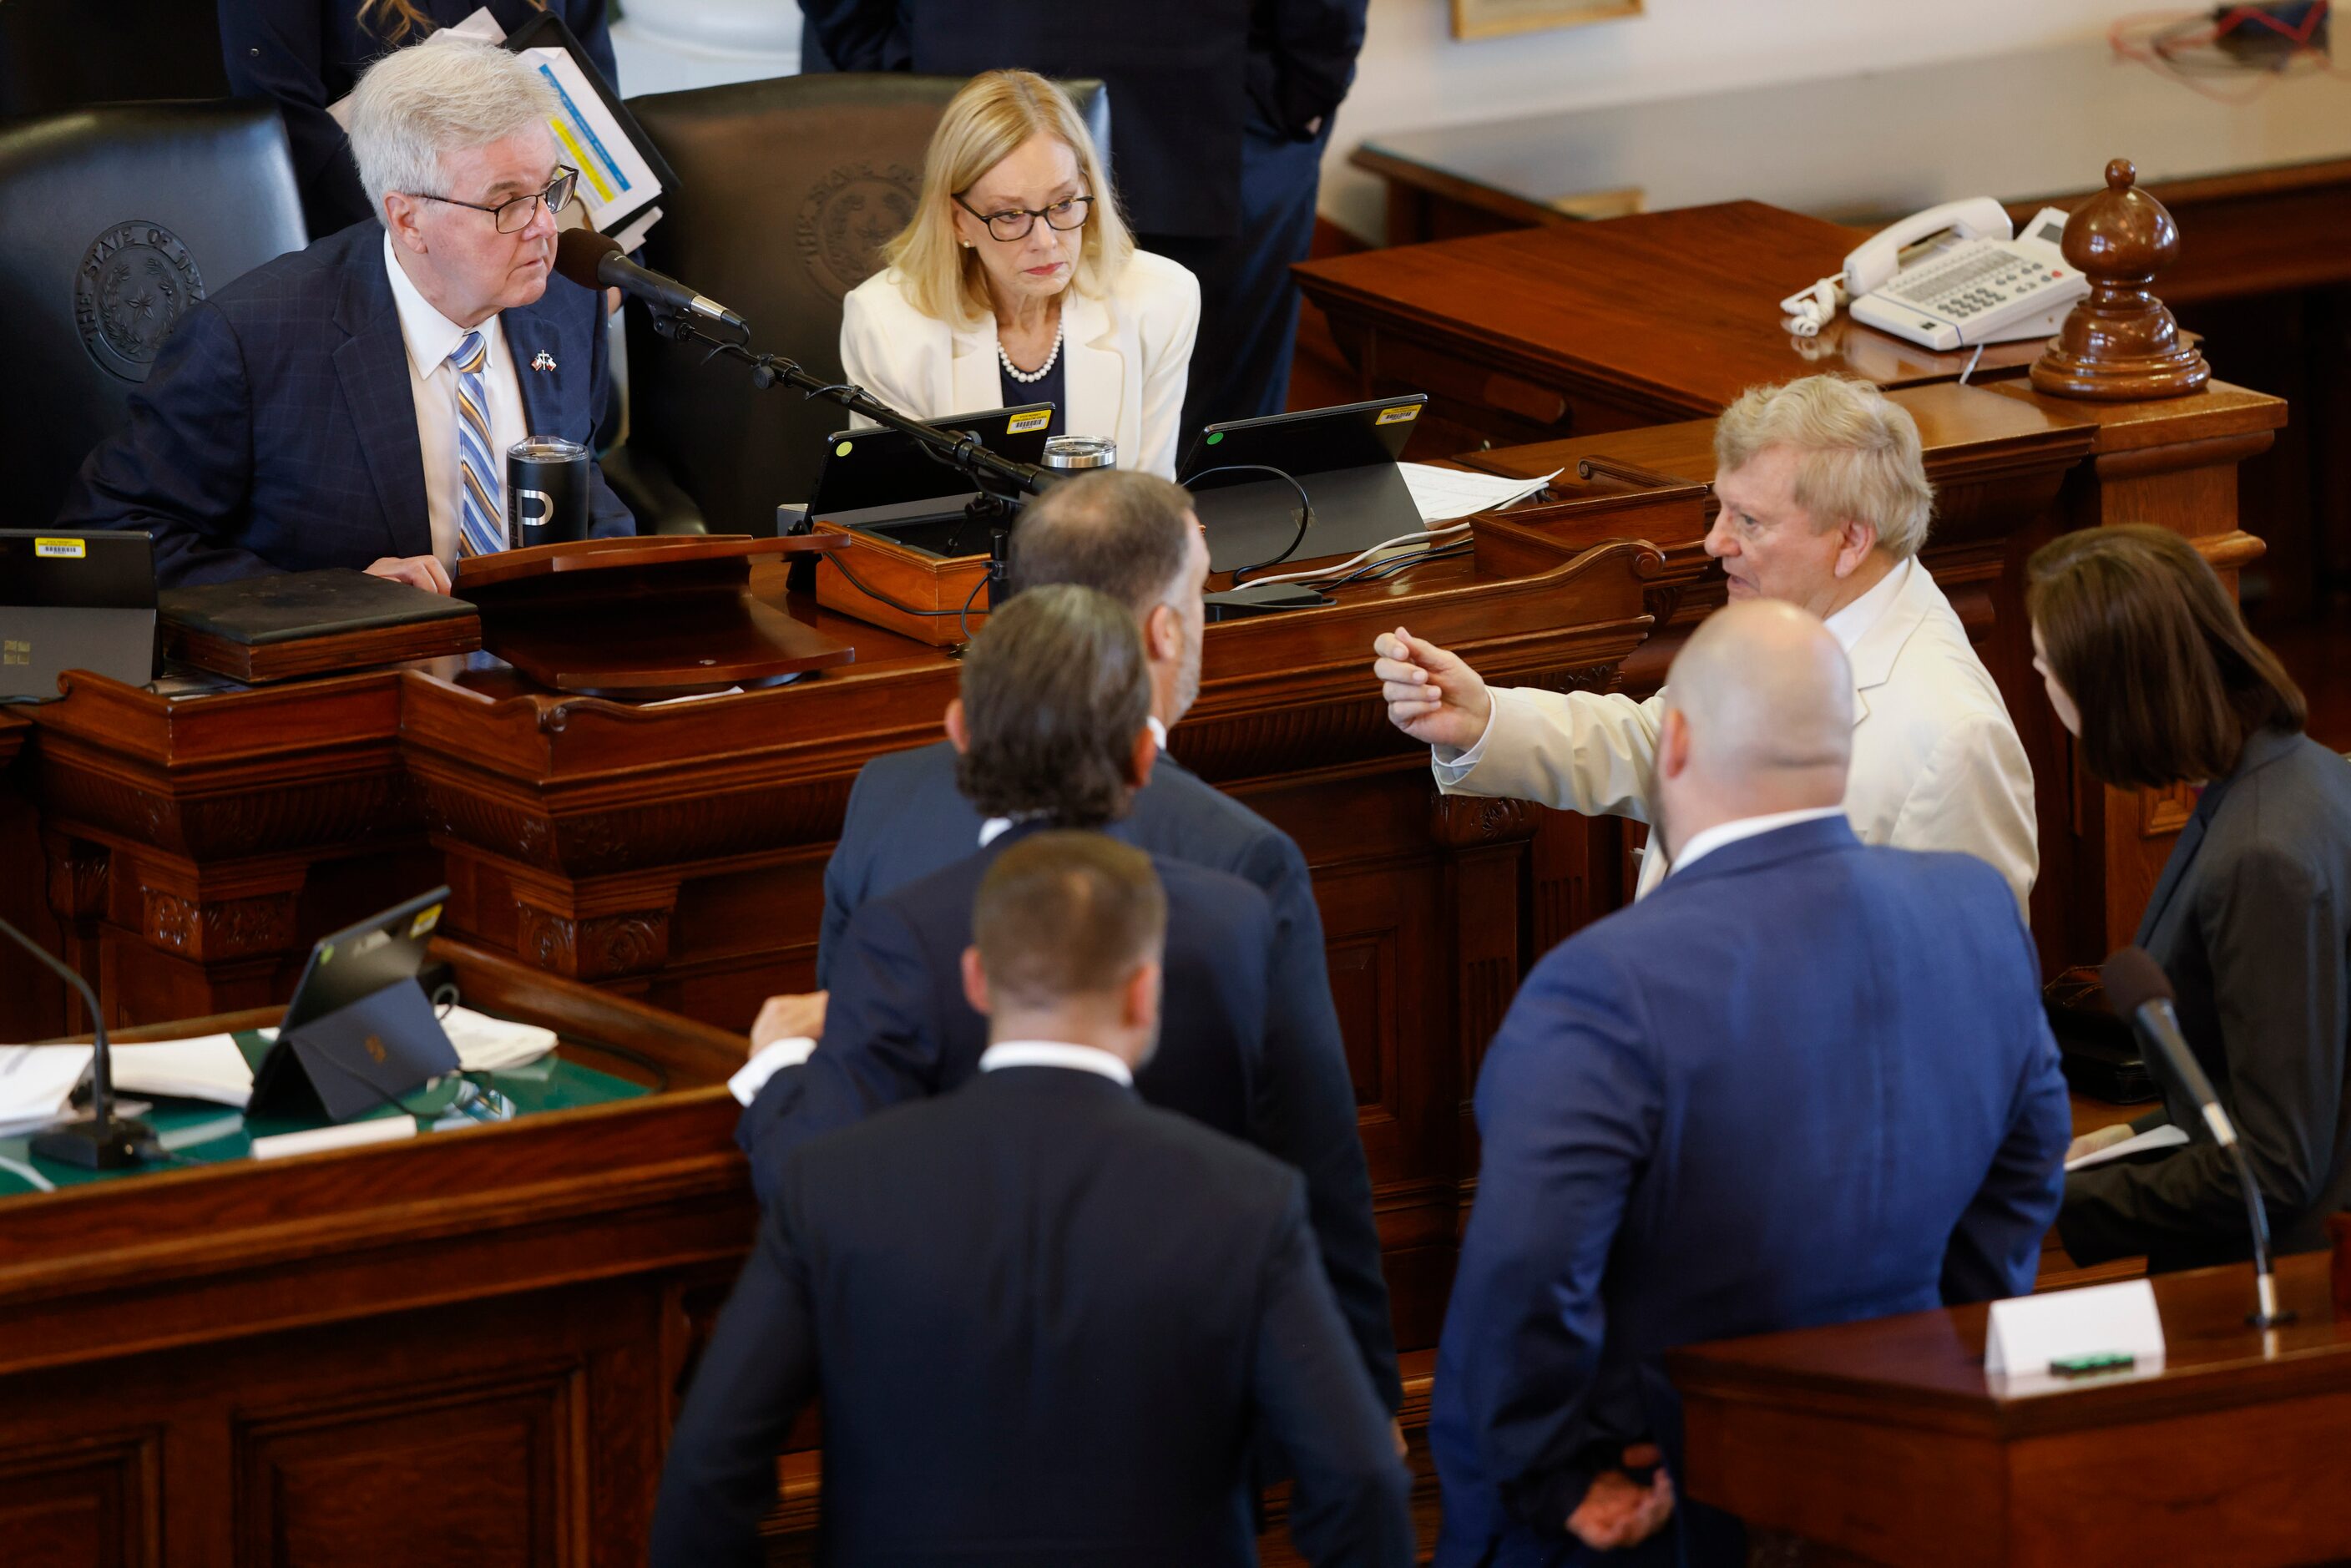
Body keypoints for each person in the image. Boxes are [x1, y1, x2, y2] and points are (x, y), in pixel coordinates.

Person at [1432, 599, 2070, 1568]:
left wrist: (1544, 1479)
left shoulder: (1602, 986)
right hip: (1897, 1479)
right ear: (1837, 752)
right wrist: (1924, 1372)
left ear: (1673, 741)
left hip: (1668, 1504)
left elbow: (1525, 1277)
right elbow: (2024, 1171)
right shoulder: (1974, 913)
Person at [754, 469, 1396, 1415]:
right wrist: (1363, 1402)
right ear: (1162, 632)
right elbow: (1307, 1148)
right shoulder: (1237, 858)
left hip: (921, 1378)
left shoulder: (884, 799)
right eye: (1201, 591)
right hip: (1158, 1386)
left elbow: (852, 1083)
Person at [653, 832, 1414, 1567]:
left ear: (978, 980)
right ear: (1146, 993)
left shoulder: (835, 1186)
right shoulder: (1248, 1201)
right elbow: (1361, 1479)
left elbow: (707, 1469)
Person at [1373, 373, 2037, 912]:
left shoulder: (1954, 739)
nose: (1716, 543)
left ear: (1852, 540)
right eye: (1721, 509)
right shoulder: (1783, 625)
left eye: (1748, 520)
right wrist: (1483, 717)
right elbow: (1657, 748)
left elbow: (1960, 1009)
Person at [58, 37, 635, 591]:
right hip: (359, 679)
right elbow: (114, 531)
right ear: (408, 219)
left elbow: (582, 497)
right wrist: (332, 600)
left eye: (549, 189)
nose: (543, 226)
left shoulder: (567, 300)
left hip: (542, 675)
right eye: (507, 201)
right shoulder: (250, 342)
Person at [805, 0, 1370, 433]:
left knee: (1224, 463)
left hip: (1219, 117)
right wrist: (893, 65)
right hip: (958, 98)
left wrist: (1296, 93)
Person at [2030, 525, 2351, 1273]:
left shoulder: (2263, 853)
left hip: (2275, 1287)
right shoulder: (2298, 771)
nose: (2042, 683)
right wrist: (2120, 1144)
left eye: (2048, 668)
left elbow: (2273, 1170)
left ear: (2112, 693)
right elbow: (2259, 1086)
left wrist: (2041, 1203)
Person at [837, 70, 1201, 477]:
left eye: (1063, 204)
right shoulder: (884, 324)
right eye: (1010, 215)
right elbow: (899, 515)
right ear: (958, 221)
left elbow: (1147, 499)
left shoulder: (1162, 298)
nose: (1045, 242)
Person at [220, 0, 619, 239]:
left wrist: (610, 253)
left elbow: (595, 98)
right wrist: (437, 253)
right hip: (390, 243)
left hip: (548, 224)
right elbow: (286, 126)